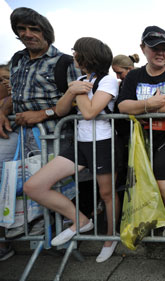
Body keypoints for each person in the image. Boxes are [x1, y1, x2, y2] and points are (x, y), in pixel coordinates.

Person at [24, 37, 120, 263]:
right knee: (33, 186)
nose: (73, 55)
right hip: (79, 142)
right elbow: (60, 109)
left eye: (76, 51)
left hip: (103, 141)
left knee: (106, 194)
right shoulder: (79, 80)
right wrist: (71, 91)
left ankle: (110, 237)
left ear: (87, 55)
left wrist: (77, 92)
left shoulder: (108, 81)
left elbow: (89, 112)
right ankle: (81, 221)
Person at [0, 7, 81, 262]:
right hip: (19, 134)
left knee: (47, 186)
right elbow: (16, 95)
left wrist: (43, 113)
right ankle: (21, 230)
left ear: (46, 32)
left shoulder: (65, 62)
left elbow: (77, 102)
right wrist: (3, 110)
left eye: (34, 29)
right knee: (11, 182)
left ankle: (62, 233)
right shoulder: (16, 60)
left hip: (53, 135)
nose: (27, 34)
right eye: (21, 30)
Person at [117, 25, 165, 213]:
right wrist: (151, 103)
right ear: (143, 49)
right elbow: (123, 106)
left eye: (163, 49)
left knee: (164, 185)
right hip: (141, 139)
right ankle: (157, 223)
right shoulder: (134, 75)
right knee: (144, 184)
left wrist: (138, 107)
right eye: (154, 48)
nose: (160, 53)